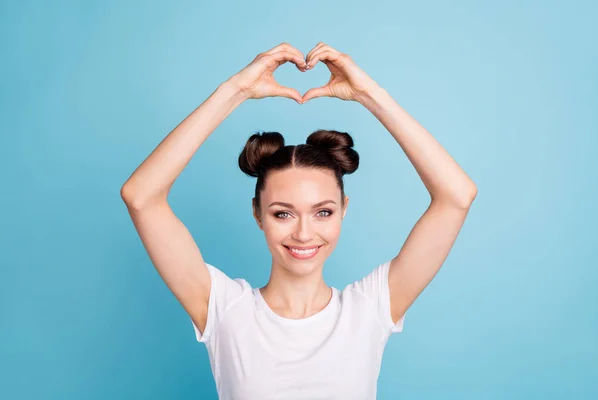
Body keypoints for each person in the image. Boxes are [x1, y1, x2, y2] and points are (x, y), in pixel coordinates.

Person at [120, 42, 478, 400]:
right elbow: (141, 197)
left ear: (344, 209)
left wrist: (370, 94)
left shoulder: (370, 309)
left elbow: (457, 196)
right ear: (258, 213)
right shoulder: (225, 309)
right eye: (283, 213)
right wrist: (235, 91)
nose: (304, 233)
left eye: (323, 212)